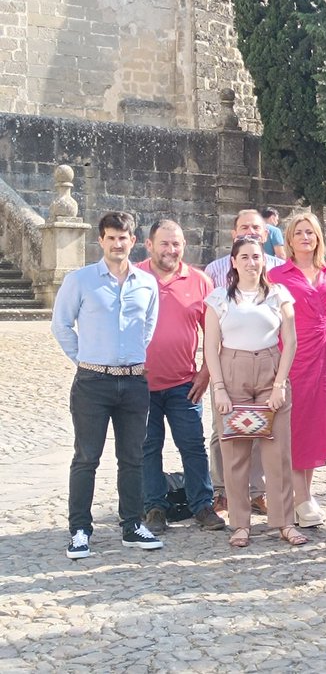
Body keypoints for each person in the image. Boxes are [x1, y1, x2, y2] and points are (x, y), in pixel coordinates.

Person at [52, 211, 163, 559]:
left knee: (132, 457)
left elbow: (148, 326)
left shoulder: (147, 284)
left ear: (133, 240)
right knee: (86, 457)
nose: (118, 243)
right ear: (100, 241)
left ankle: (132, 524)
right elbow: (61, 326)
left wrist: (131, 356)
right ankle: (80, 529)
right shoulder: (80, 280)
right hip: (92, 382)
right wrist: (86, 359)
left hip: (133, 382)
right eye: (111, 237)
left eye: (123, 237)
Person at [204, 235, 307, 549]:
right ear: (233, 262)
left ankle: (284, 521)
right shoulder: (219, 298)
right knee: (235, 452)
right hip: (232, 372)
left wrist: (279, 385)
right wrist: (219, 389)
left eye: (256, 256)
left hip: (269, 370)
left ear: (264, 261)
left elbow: (290, 341)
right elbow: (210, 345)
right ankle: (240, 524)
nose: (251, 262)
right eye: (245, 257)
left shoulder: (278, 295)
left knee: (277, 452)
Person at [136, 220, 225, 534]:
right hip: (140, 385)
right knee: (148, 447)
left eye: (176, 244)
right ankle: (155, 508)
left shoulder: (200, 282)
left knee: (192, 446)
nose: (170, 250)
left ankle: (202, 506)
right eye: (164, 243)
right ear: (149, 245)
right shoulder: (134, 277)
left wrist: (205, 372)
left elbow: (215, 334)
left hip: (184, 383)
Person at [204, 209, 285, 515]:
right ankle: (223, 491)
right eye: (243, 227)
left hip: (267, 359)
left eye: (256, 227)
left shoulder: (278, 270)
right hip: (229, 357)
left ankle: (258, 491)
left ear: (266, 235)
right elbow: (209, 321)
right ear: (234, 233)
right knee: (223, 429)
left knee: (265, 429)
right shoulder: (215, 269)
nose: (249, 231)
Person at [269, 212, 326, 528]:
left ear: (317, 238)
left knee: (319, 428)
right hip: (294, 356)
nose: (304, 237)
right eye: (298, 232)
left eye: (310, 232)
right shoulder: (278, 277)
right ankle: (301, 498)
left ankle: (305, 493)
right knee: (296, 426)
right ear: (289, 239)